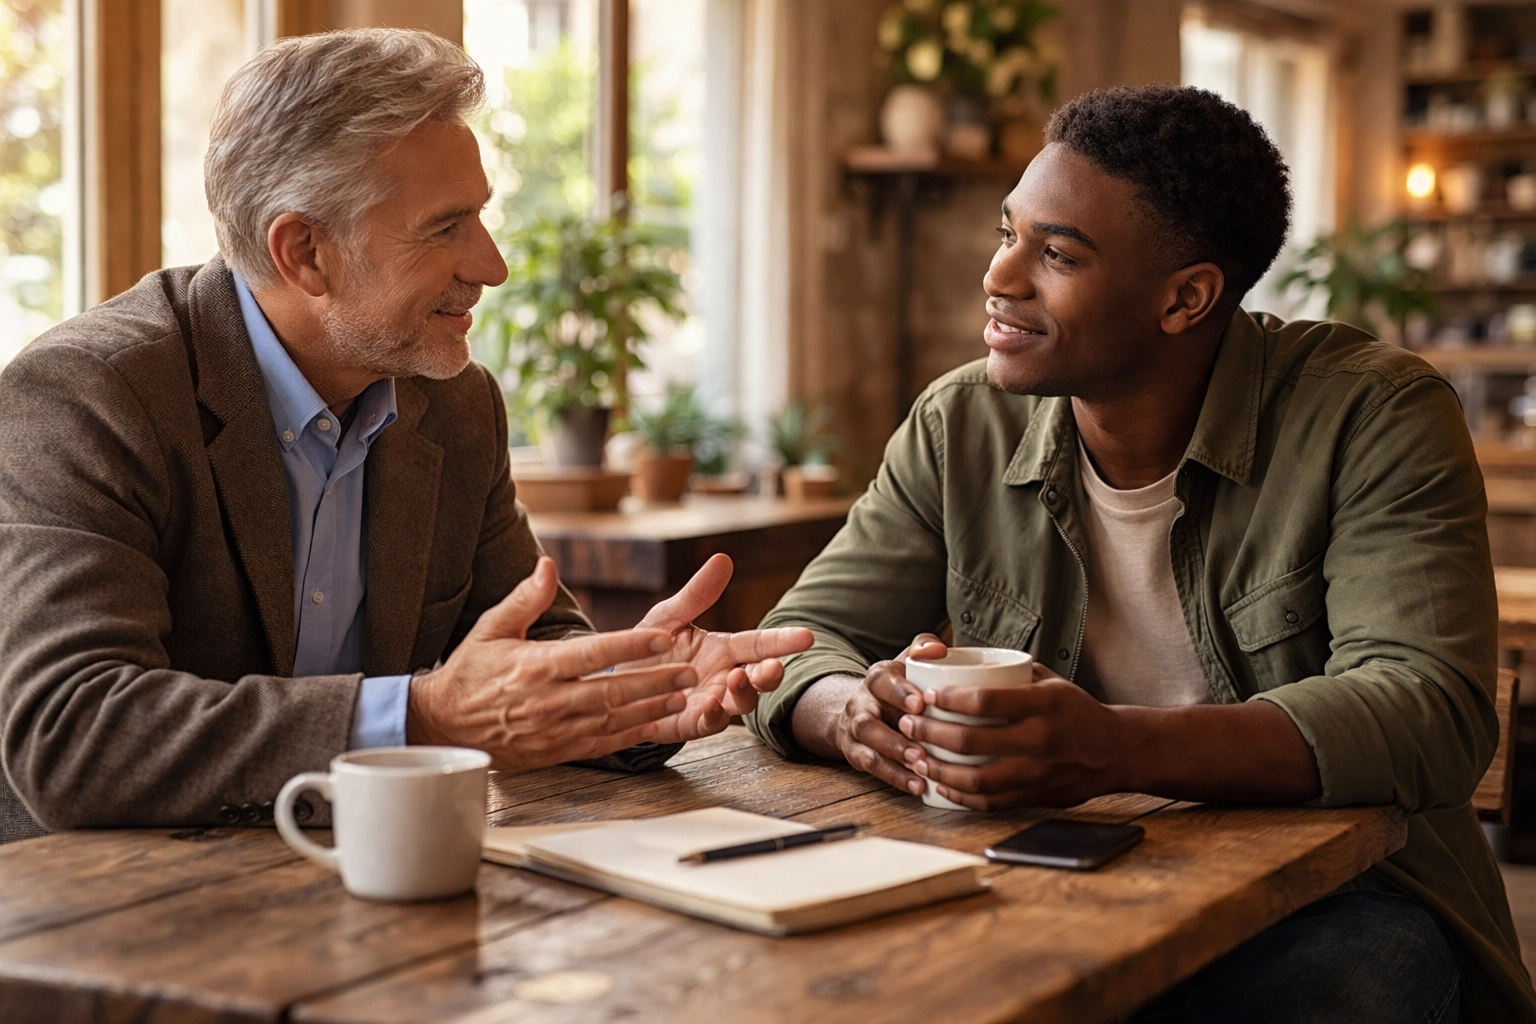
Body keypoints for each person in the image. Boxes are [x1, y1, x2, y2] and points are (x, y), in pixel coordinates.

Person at [746, 85, 1536, 1023]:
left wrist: (1115, 748)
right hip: (1047, 882)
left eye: (1057, 254)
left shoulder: (1372, 414)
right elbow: (795, 643)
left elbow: (1427, 707)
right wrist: (849, 715)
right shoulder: (961, 425)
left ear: (1185, 298)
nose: (1000, 276)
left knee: (1358, 981)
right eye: (1008, 233)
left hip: (1340, 900)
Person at [0, 28, 810, 844]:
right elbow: (69, 731)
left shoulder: (456, 405)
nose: (491, 266)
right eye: (445, 228)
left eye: (480, 216)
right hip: (106, 900)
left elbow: (524, 646)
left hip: (370, 877)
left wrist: (635, 690)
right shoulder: (89, 395)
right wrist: (421, 717)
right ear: (305, 252)